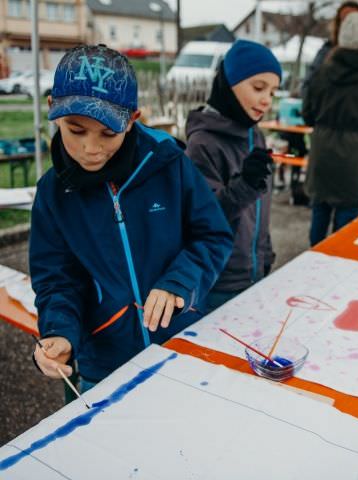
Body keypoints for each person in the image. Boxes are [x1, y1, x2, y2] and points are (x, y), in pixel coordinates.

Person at [30, 45, 233, 391]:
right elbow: (56, 280)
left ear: (133, 119)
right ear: (53, 110)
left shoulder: (170, 164)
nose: (91, 148)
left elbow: (213, 236)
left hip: (179, 346)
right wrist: (60, 332)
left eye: (109, 133)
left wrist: (179, 281)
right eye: (75, 130)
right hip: (101, 363)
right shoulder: (52, 194)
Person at [185, 40, 282, 312]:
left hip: (255, 271)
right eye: (258, 87)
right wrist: (245, 185)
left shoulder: (256, 135)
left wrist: (265, 254)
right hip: (219, 278)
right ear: (229, 83)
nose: (266, 99)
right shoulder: (203, 143)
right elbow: (203, 215)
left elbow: (262, 206)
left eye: (273, 92)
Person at [302, 12, 358, 245]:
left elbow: (307, 113)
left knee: (319, 213)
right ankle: (336, 271)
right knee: (346, 221)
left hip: (322, 148)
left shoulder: (323, 71)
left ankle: (313, 264)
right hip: (356, 155)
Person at [301, 0, 358, 98]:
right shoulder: (326, 52)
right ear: (338, 24)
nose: (350, 25)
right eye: (345, 20)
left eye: (356, 20)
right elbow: (307, 89)